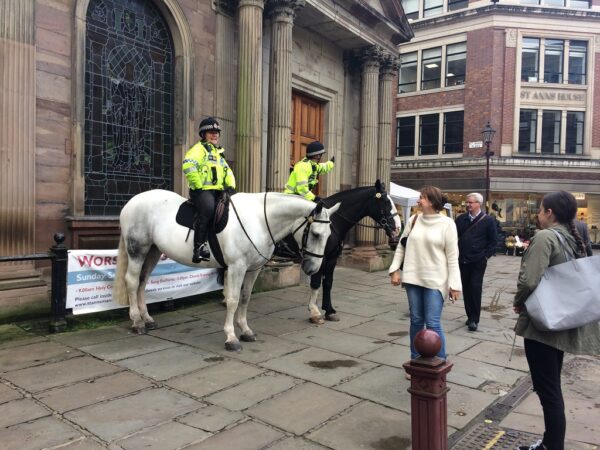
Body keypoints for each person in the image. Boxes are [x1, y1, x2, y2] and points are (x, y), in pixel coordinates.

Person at [513, 191, 600, 450]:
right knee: (552, 388)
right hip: (561, 322)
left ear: (549, 213)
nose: (538, 215)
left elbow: (529, 280)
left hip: (543, 326)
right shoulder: (573, 238)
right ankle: (550, 444)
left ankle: (552, 447)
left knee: (548, 391)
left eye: (540, 210)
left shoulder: (545, 237)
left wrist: (519, 301)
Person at [389, 186, 462, 365]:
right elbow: (402, 246)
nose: (418, 201)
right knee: (416, 321)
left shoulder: (447, 224)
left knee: (432, 323)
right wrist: (394, 269)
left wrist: (455, 285)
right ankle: (416, 360)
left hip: (436, 281)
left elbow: (453, 258)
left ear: (431, 201)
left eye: (421, 198)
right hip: (413, 278)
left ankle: (439, 362)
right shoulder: (414, 219)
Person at [182, 117, 236, 263]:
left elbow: (227, 171)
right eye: (211, 132)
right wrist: (198, 185)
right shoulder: (198, 150)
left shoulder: (219, 153)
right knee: (208, 209)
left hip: (217, 190)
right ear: (203, 134)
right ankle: (198, 247)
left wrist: (231, 187)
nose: (215, 135)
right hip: (202, 191)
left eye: (217, 132)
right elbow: (188, 166)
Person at [455, 193, 497, 331]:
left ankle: (475, 319)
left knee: (475, 286)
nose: (468, 205)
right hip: (463, 260)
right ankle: (469, 316)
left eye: (471, 202)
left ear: (479, 203)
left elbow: (493, 241)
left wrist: (485, 256)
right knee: (466, 288)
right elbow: (454, 237)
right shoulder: (461, 219)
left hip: (478, 261)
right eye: (467, 202)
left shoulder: (488, 220)